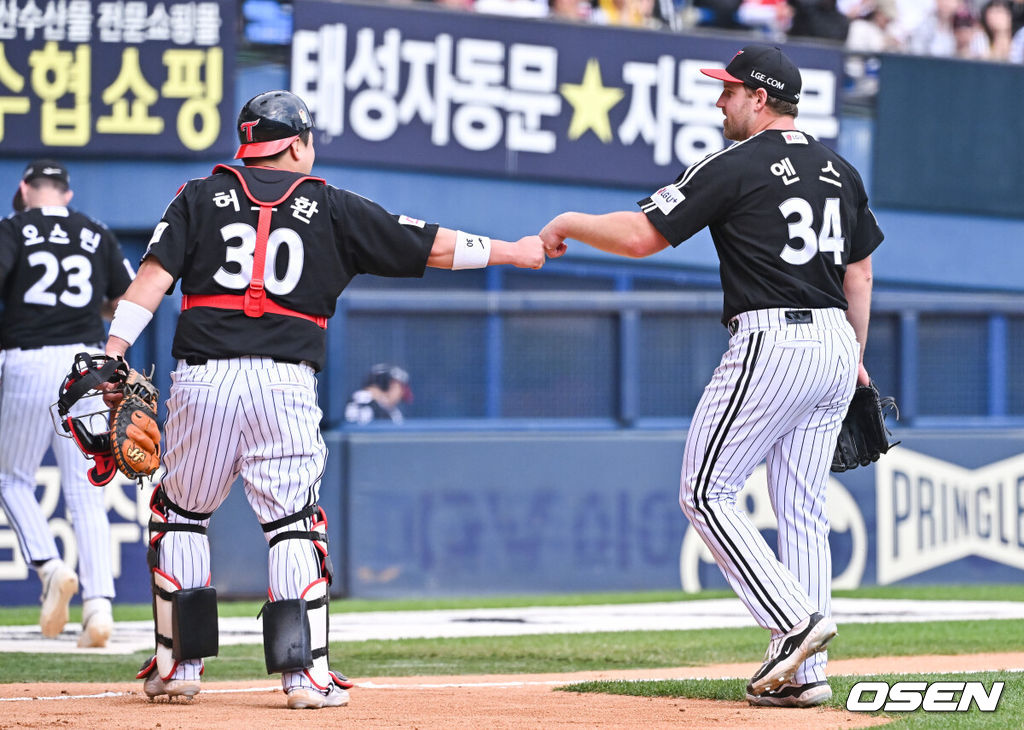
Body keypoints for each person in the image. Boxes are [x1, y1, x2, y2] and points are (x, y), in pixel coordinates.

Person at [102, 90, 546, 709]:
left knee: (181, 514)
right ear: (294, 143)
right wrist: (515, 250)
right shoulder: (331, 206)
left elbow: (151, 279)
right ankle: (302, 676)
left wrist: (115, 349)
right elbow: (431, 244)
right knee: (291, 525)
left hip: (202, 379)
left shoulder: (198, 196)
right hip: (284, 382)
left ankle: (180, 666)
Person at [539, 44, 883, 708]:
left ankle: (795, 623)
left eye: (728, 91)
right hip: (837, 341)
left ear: (759, 98)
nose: (718, 100)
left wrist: (568, 223)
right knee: (804, 510)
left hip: (774, 339)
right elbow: (860, 274)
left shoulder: (736, 163)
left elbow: (642, 236)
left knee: (704, 489)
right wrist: (854, 357)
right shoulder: (840, 170)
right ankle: (805, 677)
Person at [0, 159, 133, 647]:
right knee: (85, 490)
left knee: (11, 477)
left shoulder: (13, 227)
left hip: (28, 360)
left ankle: (49, 565)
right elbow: (123, 299)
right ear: (67, 193)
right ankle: (99, 605)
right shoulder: (95, 231)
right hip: (86, 365)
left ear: (25, 189)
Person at [345, 363, 412, 425]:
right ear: (389, 385)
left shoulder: (390, 411)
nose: (401, 394)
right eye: (399, 387)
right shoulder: (366, 401)